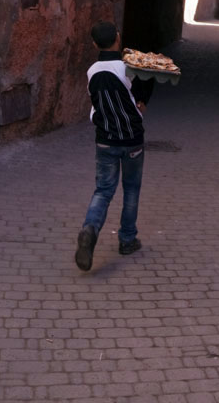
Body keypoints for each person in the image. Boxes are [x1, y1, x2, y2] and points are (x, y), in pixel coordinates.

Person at [75, 20, 154, 272]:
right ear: (118, 38)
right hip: (132, 139)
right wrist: (142, 101)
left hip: (105, 140)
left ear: (94, 44)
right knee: (131, 189)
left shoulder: (91, 72)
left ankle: (90, 229)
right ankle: (127, 240)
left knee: (103, 190)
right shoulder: (128, 68)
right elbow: (146, 82)